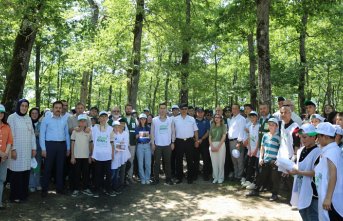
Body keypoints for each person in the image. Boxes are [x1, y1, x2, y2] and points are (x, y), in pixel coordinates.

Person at [289, 124, 321, 221]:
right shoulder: (301, 150)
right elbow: (298, 167)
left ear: (313, 137)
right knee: (303, 212)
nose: (302, 139)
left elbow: (317, 173)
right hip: (301, 188)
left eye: (305, 137)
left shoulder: (318, 152)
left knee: (312, 215)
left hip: (313, 191)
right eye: (301, 137)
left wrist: (299, 172)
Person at [7, 99, 36, 202]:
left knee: (25, 173)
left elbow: (32, 134)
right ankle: (15, 196)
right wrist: (13, 149)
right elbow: (10, 135)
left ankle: (23, 195)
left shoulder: (28, 118)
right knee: (16, 174)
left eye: (26, 106)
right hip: (17, 150)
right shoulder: (12, 117)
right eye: (22, 106)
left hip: (27, 150)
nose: (24, 108)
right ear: (19, 106)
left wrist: (34, 148)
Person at [246, 118, 281, 201]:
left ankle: (274, 194)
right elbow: (262, 147)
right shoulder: (265, 135)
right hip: (265, 160)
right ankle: (256, 191)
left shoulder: (279, 136)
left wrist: (278, 160)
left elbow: (280, 149)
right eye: (270, 124)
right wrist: (261, 158)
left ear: (277, 126)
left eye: (273, 125)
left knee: (274, 178)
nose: (271, 126)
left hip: (274, 161)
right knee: (260, 176)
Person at [40, 101, 70, 197]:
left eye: (60, 108)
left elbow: (66, 135)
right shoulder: (46, 119)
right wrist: (43, 149)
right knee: (48, 168)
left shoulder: (64, 120)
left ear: (62, 109)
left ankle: (59, 188)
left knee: (60, 168)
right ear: (52, 108)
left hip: (61, 146)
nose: (58, 109)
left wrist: (68, 148)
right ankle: (44, 189)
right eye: (56, 107)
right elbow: (42, 135)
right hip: (50, 145)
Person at [314, 122, 343, 220]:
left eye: (318, 136)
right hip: (329, 195)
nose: (317, 139)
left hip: (332, 199)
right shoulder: (331, 149)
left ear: (325, 136)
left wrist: (328, 198)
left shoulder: (331, 152)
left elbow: (333, 175)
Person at [91, 111, 116, 198]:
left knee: (108, 173)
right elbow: (93, 142)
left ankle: (108, 189)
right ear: (99, 118)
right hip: (97, 155)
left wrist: (112, 154)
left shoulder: (110, 129)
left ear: (107, 118)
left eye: (105, 117)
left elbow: (112, 142)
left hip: (107, 155)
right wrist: (92, 154)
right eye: (102, 116)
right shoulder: (94, 128)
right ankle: (97, 189)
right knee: (98, 174)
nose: (103, 118)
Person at [174, 103, 199, 184]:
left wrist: (197, 141)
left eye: (185, 109)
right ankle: (179, 177)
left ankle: (190, 177)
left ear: (187, 109)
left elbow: (195, 131)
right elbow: (172, 131)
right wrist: (172, 142)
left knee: (190, 160)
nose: (184, 110)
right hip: (179, 141)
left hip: (189, 141)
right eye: (182, 109)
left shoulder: (192, 119)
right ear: (179, 110)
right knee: (178, 160)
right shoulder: (175, 119)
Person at [151, 102, 175, 185]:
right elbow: (152, 132)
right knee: (156, 163)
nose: (162, 110)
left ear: (166, 109)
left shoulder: (170, 119)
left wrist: (172, 142)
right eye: (161, 108)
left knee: (168, 162)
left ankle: (168, 179)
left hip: (167, 144)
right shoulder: (154, 120)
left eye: (164, 108)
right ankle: (156, 179)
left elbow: (173, 131)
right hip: (157, 145)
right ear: (159, 109)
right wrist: (153, 143)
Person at [70, 114, 93, 197]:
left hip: (86, 156)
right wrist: (72, 156)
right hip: (76, 156)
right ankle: (76, 189)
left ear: (86, 122)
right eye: (81, 121)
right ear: (78, 122)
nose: (82, 123)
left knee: (86, 173)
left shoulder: (89, 131)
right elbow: (72, 143)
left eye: (84, 121)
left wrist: (90, 155)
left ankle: (85, 188)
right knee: (76, 173)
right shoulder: (74, 131)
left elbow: (91, 144)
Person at [227, 104, 246, 180]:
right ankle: (236, 174)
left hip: (237, 141)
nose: (234, 110)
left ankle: (239, 176)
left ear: (238, 110)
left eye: (235, 108)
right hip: (231, 141)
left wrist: (239, 142)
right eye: (232, 108)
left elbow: (242, 131)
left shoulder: (241, 119)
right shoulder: (232, 119)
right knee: (234, 160)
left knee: (239, 159)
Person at [242, 111, 260, 189]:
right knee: (250, 164)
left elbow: (259, 138)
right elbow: (249, 137)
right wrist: (249, 149)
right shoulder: (250, 126)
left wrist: (256, 149)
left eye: (254, 116)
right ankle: (248, 180)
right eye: (251, 117)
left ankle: (255, 183)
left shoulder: (259, 126)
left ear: (257, 117)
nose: (252, 118)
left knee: (256, 166)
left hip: (257, 150)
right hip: (251, 149)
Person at [0, 104, 13, 209]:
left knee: (1, 180)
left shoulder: (7, 126)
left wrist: (5, 153)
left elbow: (10, 141)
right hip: (1, 155)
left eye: (2, 113)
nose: (0, 114)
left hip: (4, 158)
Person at [111, 120, 130, 192]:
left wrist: (119, 146)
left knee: (119, 172)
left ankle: (118, 186)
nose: (117, 128)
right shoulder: (111, 134)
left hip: (120, 156)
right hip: (113, 157)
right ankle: (111, 187)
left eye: (118, 126)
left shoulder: (122, 134)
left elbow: (124, 145)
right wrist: (119, 146)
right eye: (115, 126)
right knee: (113, 173)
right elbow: (116, 145)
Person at [122, 104, 138, 183]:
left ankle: (130, 176)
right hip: (123, 144)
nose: (128, 110)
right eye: (127, 109)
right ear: (125, 110)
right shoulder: (121, 119)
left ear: (132, 110)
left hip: (132, 143)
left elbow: (137, 130)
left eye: (130, 109)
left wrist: (138, 135)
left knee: (131, 160)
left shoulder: (135, 119)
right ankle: (123, 177)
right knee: (124, 160)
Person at [209, 114, 227, 184]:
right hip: (212, 145)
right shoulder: (212, 126)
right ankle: (215, 177)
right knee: (214, 162)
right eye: (215, 117)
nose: (216, 118)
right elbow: (210, 137)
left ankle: (221, 178)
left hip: (221, 145)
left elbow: (224, 137)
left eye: (218, 117)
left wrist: (218, 146)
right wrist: (212, 146)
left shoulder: (223, 126)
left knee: (221, 162)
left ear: (221, 119)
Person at [195, 107, 211, 181]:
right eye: (198, 112)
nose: (200, 113)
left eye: (201, 112)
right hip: (195, 141)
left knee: (206, 159)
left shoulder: (207, 121)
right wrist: (196, 140)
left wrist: (201, 139)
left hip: (204, 141)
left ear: (203, 113)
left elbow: (208, 132)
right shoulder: (193, 121)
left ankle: (206, 175)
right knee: (195, 159)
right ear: (196, 113)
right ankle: (195, 174)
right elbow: (192, 131)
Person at [28, 107, 42, 192]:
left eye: (36, 113)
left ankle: (37, 183)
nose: (34, 115)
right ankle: (31, 184)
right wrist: (35, 134)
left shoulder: (41, 123)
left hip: (39, 147)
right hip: (29, 146)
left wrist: (36, 134)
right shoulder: (27, 122)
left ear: (38, 114)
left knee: (37, 165)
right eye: (32, 113)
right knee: (30, 166)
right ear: (30, 114)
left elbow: (43, 134)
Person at [135, 113, 151, 184]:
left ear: (146, 120)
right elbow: (136, 137)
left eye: (144, 119)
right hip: (140, 146)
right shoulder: (137, 127)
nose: (143, 120)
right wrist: (145, 134)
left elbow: (150, 136)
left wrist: (141, 134)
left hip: (147, 146)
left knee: (148, 163)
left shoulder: (148, 127)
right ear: (139, 119)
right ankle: (142, 178)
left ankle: (147, 178)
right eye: (141, 119)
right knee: (140, 163)